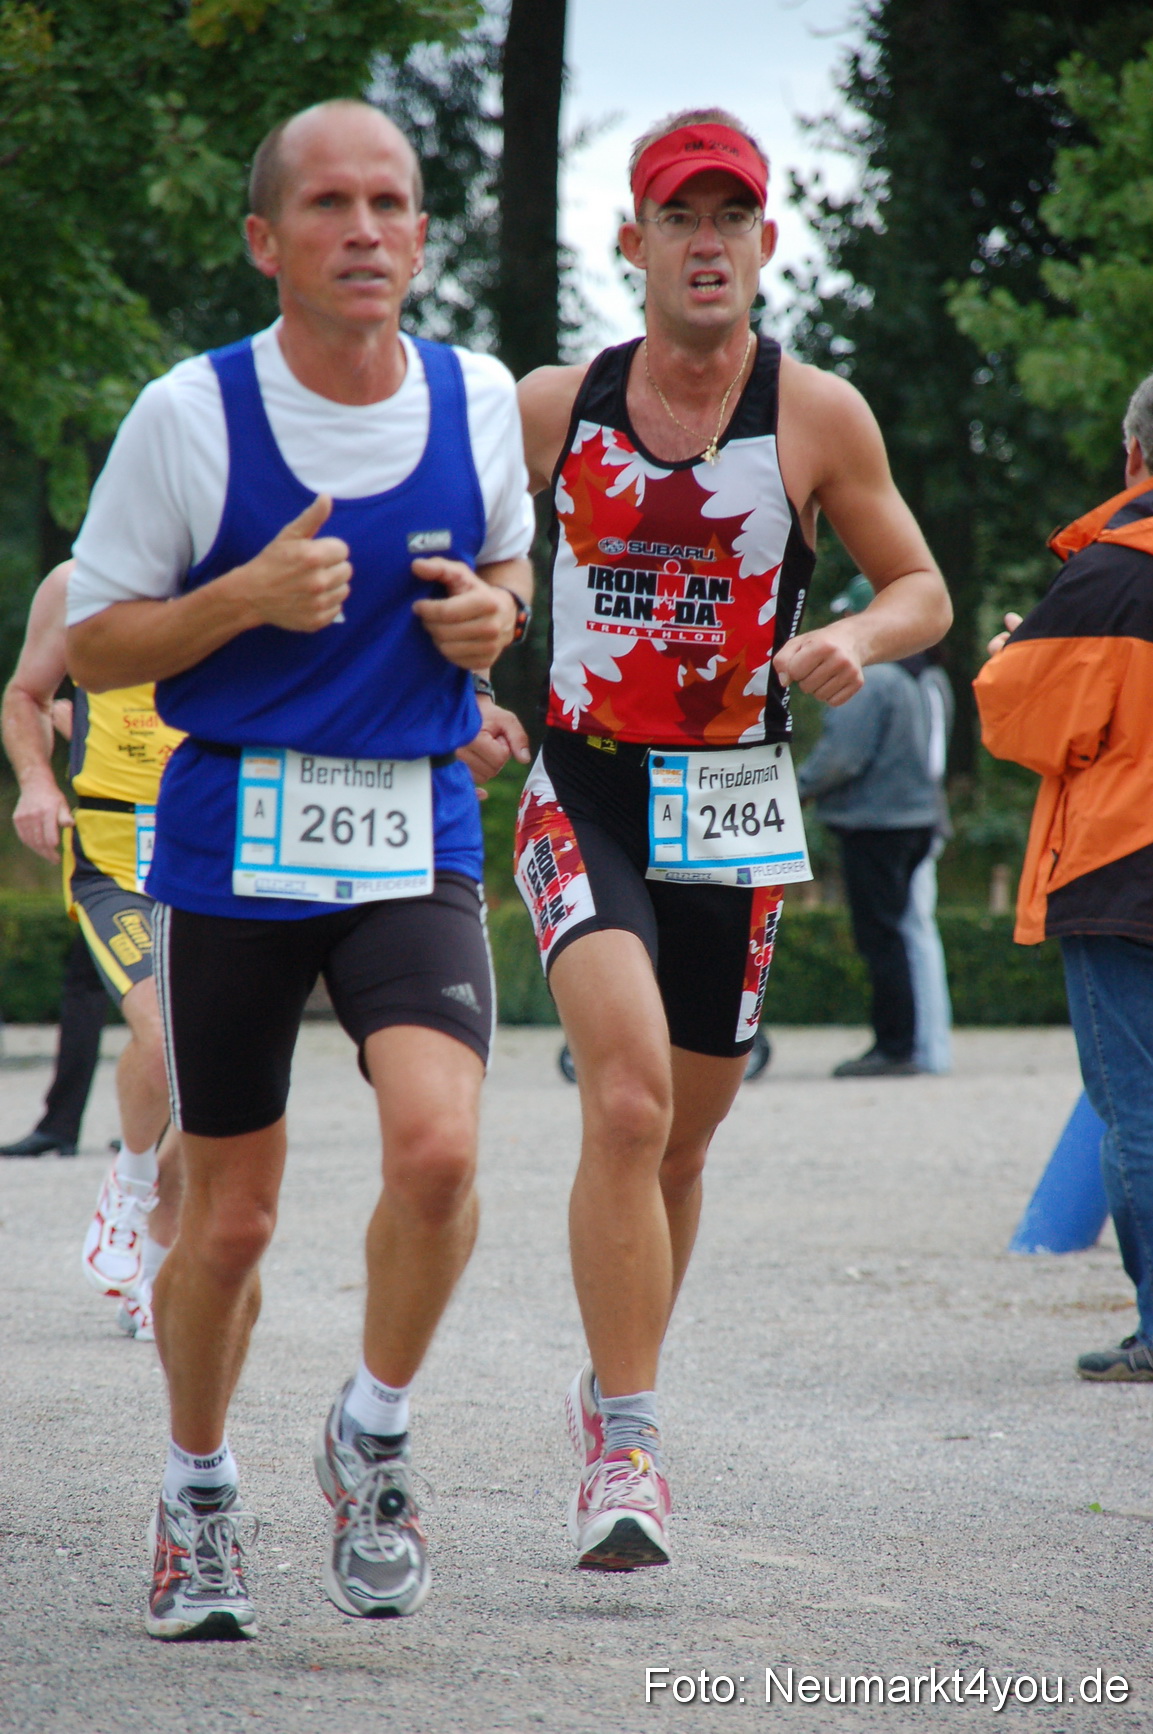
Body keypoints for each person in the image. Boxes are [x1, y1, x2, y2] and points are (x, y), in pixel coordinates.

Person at [66, 99, 533, 1639]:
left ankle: (372, 1435)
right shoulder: (191, 415)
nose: (363, 229)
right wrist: (245, 599)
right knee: (235, 1220)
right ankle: (198, 1489)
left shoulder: (472, 403)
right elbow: (95, 638)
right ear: (268, 240)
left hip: (410, 826)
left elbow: (512, 570)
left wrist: (493, 619)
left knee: (443, 1154)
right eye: (327, 204)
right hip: (233, 846)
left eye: (390, 202)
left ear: (420, 229)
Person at [515, 108, 952, 1569]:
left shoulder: (817, 414)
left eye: (732, 219)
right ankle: (627, 1440)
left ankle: (609, 1380)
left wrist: (857, 636)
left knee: (685, 1138)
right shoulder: (549, 404)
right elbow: (458, 571)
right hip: (583, 779)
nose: (707, 245)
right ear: (629, 244)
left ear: (764, 244)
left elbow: (924, 591)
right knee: (626, 1102)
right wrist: (461, 670)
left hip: (734, 797)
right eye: (678, 219)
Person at [975, 369, 1153, 1384]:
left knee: (1135, 1106)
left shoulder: (1113, 571)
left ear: (1134, 457)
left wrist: (1013, 652)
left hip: (1124, 873)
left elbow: (1021, 715)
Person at [1, 563, 181, 1342]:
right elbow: (24, 695)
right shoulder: (77, 582)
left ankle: (155, 1268)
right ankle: (132, 1183)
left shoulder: (248, 571)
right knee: (163, 1025)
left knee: (221, 1082)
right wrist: (39, 783)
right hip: (115, 859)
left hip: (225, 846)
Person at [796, 574, 944, 1077]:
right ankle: (910, 1042)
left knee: (879, 937)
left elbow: (841, 758)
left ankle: (895, 1047)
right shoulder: (905, 678)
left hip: (875, 825)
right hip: (913, 821)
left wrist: (790, 788)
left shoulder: (867, 679)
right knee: (898, 932)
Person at [0, 650, 107, 1156]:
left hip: (169, 842)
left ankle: (164, 1126)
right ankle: (61, 1124)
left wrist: (80, 732)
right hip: (107, 848)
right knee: (84, 982)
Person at [898, 649, 954, 1074]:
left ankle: (928, 1049)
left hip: (910, 816)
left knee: (915, 929)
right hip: (928, 814)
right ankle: (932, 1045)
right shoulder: (936, 682)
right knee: (919, 929)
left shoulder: (907, 683)